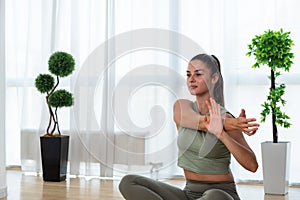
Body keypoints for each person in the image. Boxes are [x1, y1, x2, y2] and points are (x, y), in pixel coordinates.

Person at [119, 54, 259, 200]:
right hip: (189, 193)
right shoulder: (182, 107)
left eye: (198, 74)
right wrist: (227, 124)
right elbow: (199, 121)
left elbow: (252, 165)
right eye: (188, 74)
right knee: (129, 182)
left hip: (222, 193)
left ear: (214, 78)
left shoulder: (227, 119)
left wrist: (222, 134)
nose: (191, 79)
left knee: (214, 196)